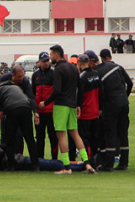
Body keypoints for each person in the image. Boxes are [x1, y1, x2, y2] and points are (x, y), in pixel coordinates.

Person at [39, 45, 94, 174]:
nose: (50, 57)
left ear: (57, 55)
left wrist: (45, 103)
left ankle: (67, 167)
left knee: (61, 135)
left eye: (51, 54)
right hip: (72, 105)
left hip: (61, 105)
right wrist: (78, 104)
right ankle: (87, 163)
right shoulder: (73, 67)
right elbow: (80, 87)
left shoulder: (58, 69)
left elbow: (57, 90)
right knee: (75, 134)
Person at [94, 49, 133, 171]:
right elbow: (130, 83)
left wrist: (102, 106)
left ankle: (109, 163)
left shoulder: (98, 71)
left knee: (111, 132)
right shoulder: (118, 67)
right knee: (123, 133)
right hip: (123, 103)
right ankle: (124, 162)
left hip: (111, 105)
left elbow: (101, 92)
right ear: (110, 56)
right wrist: (124, 96)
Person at [0, 80, 40, 172]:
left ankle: (11, 166)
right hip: (26, 108)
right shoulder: (16, 87)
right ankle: (36, 165)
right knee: (29, 138)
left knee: (10, 139)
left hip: (11, 109)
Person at [77, 54, 104, 169]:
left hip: (85, 113)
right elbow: (102, 92)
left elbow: (80, 96)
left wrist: (78, 107)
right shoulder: (96, 74)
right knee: (94, 138)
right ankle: (96, 161)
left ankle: (89, 163)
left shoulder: (82, 77)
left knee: (85, 139)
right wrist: (100, 108)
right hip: (95, 111)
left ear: (79, 63)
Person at [32, 52, 58, 160]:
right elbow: (33, 93)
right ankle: (40, 159)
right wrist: (35, 110)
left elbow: (56, 91)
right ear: (39, 62)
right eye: (44, 61)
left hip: (51, 110)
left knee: (53, 136)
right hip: (39, 112)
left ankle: (54, 159)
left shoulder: (54, 73)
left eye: (47, 60)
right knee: (39, 136)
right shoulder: (35, 75)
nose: (46, 63)